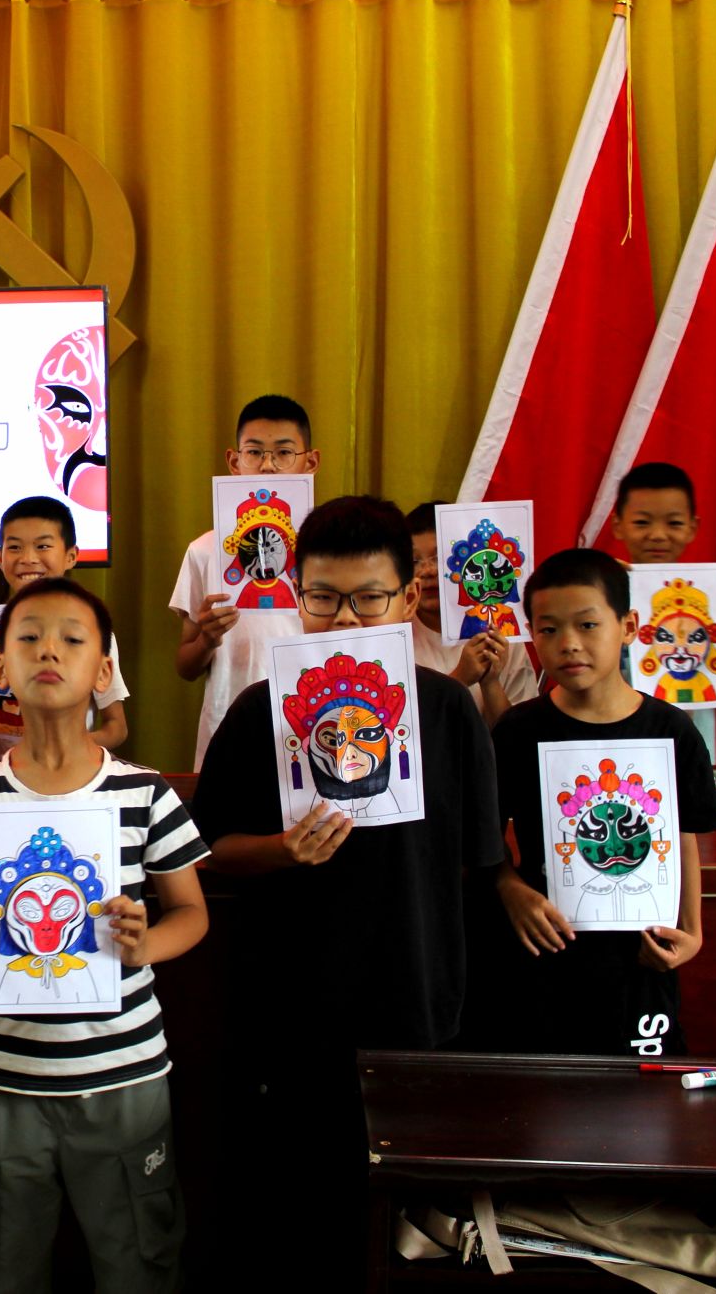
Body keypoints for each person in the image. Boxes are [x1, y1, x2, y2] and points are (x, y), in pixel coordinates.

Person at [191, 495, 501, 1280]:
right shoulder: (259, 710)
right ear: (297, 595)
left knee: (408, 1226)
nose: (344, 620)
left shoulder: (448, 710)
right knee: (298, 1215)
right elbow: (211, 849)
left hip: (416, 997)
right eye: (323, 599)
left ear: (408, 596)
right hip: (293, 1005)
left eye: (368, 599)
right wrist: (283, 850)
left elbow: (475, 860)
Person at [0, 578, 209, 1294]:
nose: (49, 650)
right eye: (29, 637)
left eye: (72, 639)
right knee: (4, 1263)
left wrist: (145, 945)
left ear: (104, 670)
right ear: (0, 665)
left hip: (125, 1072)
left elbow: (191, 913)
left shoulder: (144, 792)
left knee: (137, 1258)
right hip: (3, 1074)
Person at [484, 548, 716, 1057]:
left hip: (640, 954)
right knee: (547, 1089)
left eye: (588, 625)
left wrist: (692, 932)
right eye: (548, 630)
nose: (568, 643)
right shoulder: (518, 731)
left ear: (628, 627)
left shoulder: (671, 730)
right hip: (546, 946)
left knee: (641, 1094)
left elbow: (683, 837)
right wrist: (509, 886)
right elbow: (483, 836)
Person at [170, 394, 319, 767]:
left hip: (312, 726)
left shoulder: (330, 551)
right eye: (254, 452)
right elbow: (185, 667)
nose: (267, 466)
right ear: (234, 462)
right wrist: (207, 639)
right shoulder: (205, 551)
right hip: (229, 727)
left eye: (284, 453)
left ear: (311, 462)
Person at [609, 462, 716, 763]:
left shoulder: (709, 600)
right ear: (617, 525)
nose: (658, 535)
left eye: (673, 523)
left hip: (693, 763)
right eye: (642, 522)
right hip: (617, 759)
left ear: (692, 528)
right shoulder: (600, 594)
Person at [0, 495, 129, 764]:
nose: (28, 558)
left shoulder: (89, 634)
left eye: (43, 546)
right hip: (1, 778)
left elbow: (116, 727)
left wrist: (68, 746)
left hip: (71, 775)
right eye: (15, 547)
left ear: (71, 556)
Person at [405, 501, 538, 728]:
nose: (427, 571)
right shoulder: (398, 634)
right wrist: (460, 678)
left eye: (439, 559)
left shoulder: (502, 632)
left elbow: (517, 737)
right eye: (414, 561)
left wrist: (490, 682)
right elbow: (400, 731)